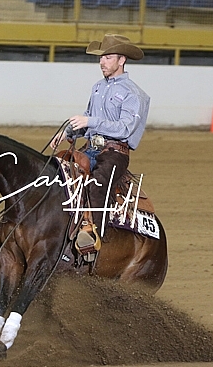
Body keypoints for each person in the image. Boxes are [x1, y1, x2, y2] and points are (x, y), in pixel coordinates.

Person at [50, 34, 150, 255]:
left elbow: (125, 128)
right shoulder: (98, 87)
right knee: (54, 173)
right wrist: (68, 132)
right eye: (101, 58)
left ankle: (94, 238)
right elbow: (87, 119)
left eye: (108, 57)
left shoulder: (134, 94)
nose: (102, 62)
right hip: (90, 148)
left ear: (121, 60)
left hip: (115, 152)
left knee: (97, 184)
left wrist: (90, 121)